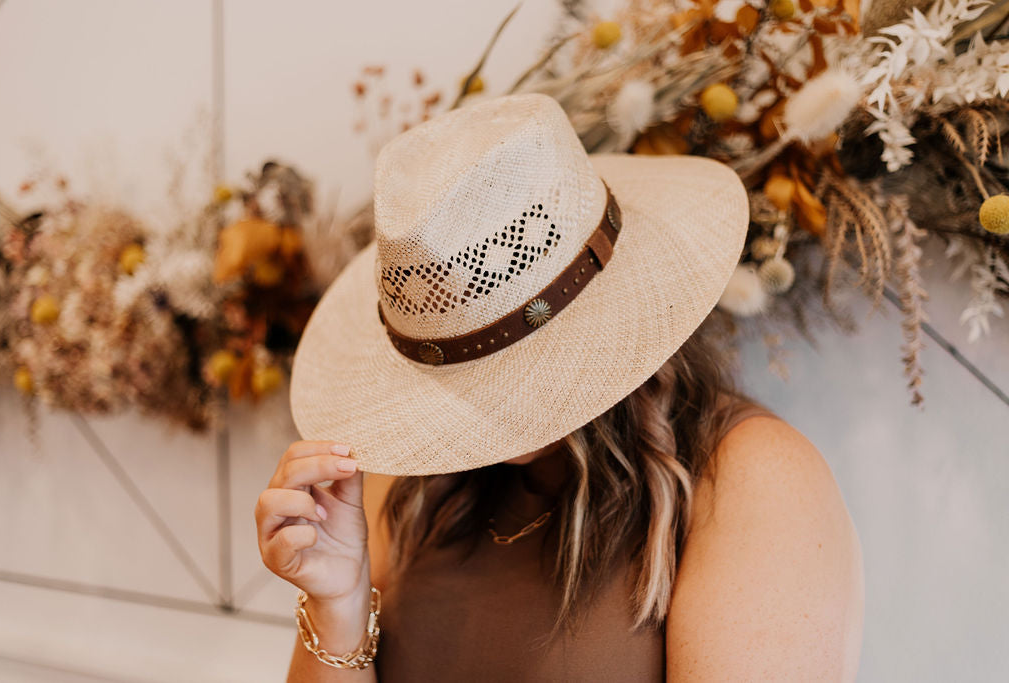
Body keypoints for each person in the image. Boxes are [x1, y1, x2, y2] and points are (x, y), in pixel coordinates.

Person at [254, 93, 864, 681]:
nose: (488, 402)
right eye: (469, 355)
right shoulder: (404, 476)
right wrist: (336, 606)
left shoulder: (751, 479)